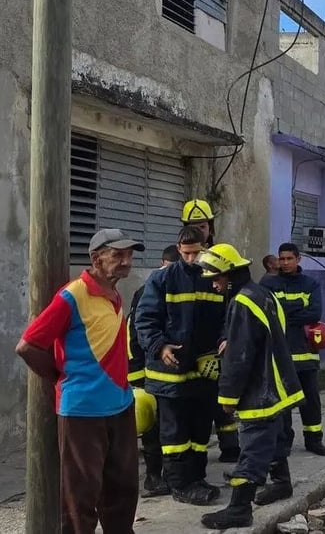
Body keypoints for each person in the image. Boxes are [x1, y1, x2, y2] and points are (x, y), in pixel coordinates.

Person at [16, 228, 143, 532]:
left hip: (120, 405)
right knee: (80, 496)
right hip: (83, 411)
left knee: (124, 488)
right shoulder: (72, 295)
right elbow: (28, 345)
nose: (126, 261)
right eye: (118, 255)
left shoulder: (113, 293)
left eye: (129, 255)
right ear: (96, 258)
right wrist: (61, 377)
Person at [195, 244, 305, 529]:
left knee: (253, 447)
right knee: (277, 437)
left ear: (230, 274)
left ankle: (239, 508)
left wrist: (228, 396)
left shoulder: (241, 303)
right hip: (280, 383)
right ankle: (282, 483)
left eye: (217, 278)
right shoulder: (262, 293)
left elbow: (239, 356)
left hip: (261, 390)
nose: (215, 285)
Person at [135, 226, 224, 505]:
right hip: (169, 375)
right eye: (185, 253)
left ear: (205, 247)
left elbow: (226, 319)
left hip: (203, 372)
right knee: (174, 434)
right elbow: (145, 320)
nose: (190, 259)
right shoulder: (161, 280)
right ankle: (179, 484)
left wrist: (224, 343)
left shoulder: (213, 279)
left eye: (196, 253)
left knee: (199, 432)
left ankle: (196, 477)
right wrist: (160, 346)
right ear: (178, 248)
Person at [180, 198, 240, 463]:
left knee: (223, 394)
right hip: (192, 340)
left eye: (202, 225)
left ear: (211, 227)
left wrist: (227, 335)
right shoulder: (181, 258)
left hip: (219, 338)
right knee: (198, 399)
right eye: (192, 226)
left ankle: (230, 446)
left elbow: (233, 303)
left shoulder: (221, 256)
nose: (199, 231)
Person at [259, 243, 325, 461]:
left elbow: (314, 313)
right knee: (285, 401)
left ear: (298, 259)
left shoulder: (310, 283)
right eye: (282, 259)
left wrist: (285, 314)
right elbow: (268, 311)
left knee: (310, 399)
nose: (285, 263)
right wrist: (298, 309)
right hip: (280, 354)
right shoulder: (269, 283)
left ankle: (314, 439)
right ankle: (284, 442)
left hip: (306, 354)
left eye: (289, 258)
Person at [128, 244, 180, 498]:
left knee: (167, 426)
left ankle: (168, 475)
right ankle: (152, 477)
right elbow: (135, 334)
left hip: (165, 371)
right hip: (145, 371)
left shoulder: (178, 288)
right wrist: (137, 375)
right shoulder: (148, 290)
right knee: (150, 427)